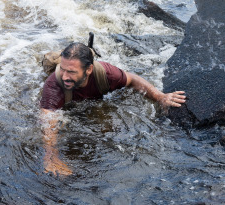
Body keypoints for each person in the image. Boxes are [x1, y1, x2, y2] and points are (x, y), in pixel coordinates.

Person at [40, 42, 186, 176]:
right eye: (63, 69)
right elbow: (48, 122)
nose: (65, 76)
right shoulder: (53, 86)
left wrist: (160, 97)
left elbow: (132, 79)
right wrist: (51, 157)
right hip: (67, 103)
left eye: (71, 72)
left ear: (89, 69)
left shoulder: (106, 73)